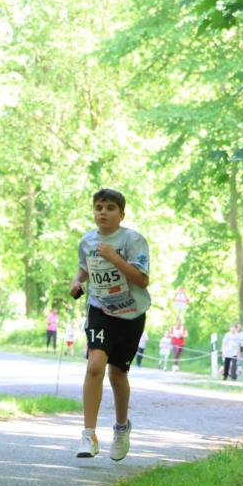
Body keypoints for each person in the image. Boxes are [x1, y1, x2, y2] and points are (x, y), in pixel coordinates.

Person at [70, 188, 150, 462]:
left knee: (117, 375)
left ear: (121, 214)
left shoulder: (133, 240)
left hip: (130, 314)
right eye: (99, 207)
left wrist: (115, 258)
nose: (103, 212)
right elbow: (85, 267)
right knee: (95, 366)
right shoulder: (87, 241)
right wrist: (77, 281)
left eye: (110, 208)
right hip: (99, 309)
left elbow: (142, 280)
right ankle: (88, 435)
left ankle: (121, 428)